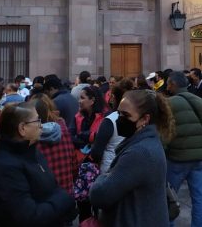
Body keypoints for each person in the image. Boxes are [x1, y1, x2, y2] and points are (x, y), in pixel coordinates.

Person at [0, 103, 76, 227]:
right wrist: (64, 200)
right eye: (37, 120)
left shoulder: (33, 152)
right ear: (22, 128)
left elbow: (51, 187)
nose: (41, 125)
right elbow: (29, 218)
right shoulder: (2, 168)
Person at [89, 89, 174, 226]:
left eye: (126, 116)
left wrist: (102, 177)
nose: (119, 119)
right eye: (118, 113)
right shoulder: (146, 141)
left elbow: (100, 195)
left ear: (144, 119)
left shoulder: (139, 152)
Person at [166, 71, 202, 227]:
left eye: (168, 83)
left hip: (177, 157)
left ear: (173, 84)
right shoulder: (199, 101)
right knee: (198, 198)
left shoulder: (168, 104)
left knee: (169, 198)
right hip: (198, 158)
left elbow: (165, 133)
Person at [28, 94, 76, 196]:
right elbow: (73, 162)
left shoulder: (31, 138)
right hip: (66, 193)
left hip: (44, 198)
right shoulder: (63, 129)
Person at [73, 85, 106, 221]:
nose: (79, 101)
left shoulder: (105, 117)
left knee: (99, 207)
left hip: (98, 166)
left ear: (92, 101)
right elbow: (71, 137)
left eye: (82, 98)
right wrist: (88, 137)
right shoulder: (77, 116)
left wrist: (87, 136)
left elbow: (101, 138)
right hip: (80, 167)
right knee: (83, 208)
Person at [92, 79, 133, 174]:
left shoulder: (110, 120)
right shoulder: (137, 117)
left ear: (113, 97)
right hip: (129, 167)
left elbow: (96, 152)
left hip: (110, 169)